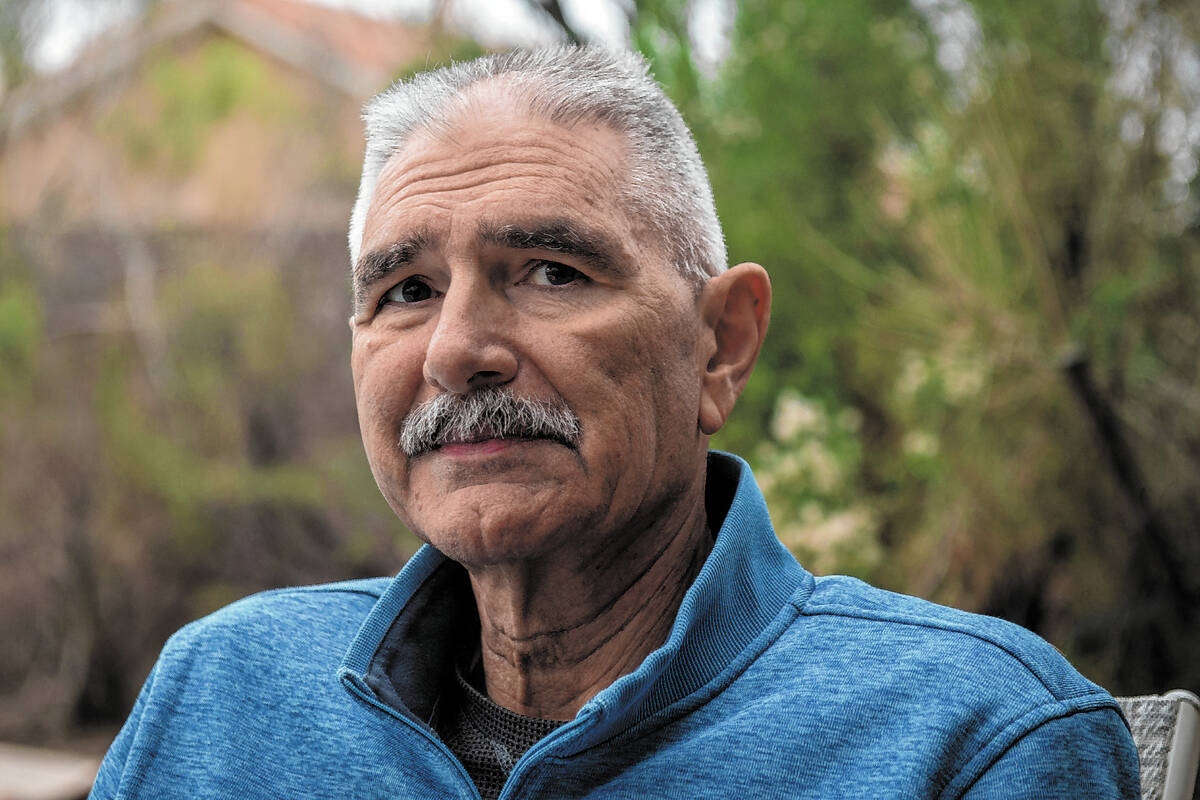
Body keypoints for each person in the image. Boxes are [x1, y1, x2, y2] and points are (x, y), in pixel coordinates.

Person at [90, 46, 1139, 799]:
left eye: (551, 270)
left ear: (719, 344)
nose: (456, 349)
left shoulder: (972, 738)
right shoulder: (223, 692)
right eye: (405, 289)